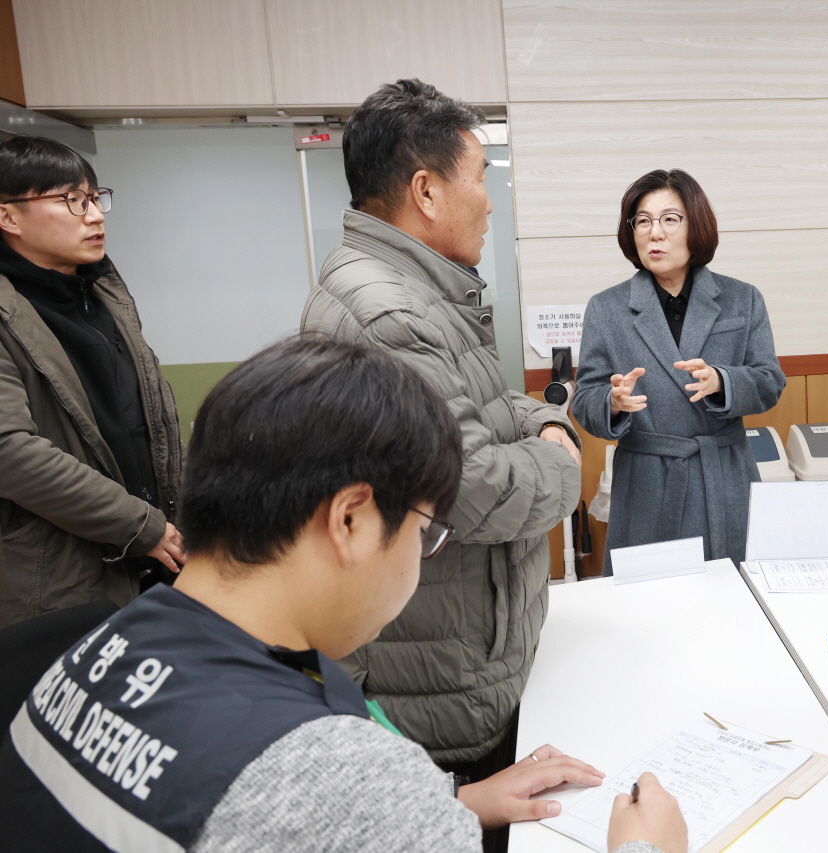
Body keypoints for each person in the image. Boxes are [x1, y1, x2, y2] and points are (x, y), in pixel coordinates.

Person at [0, 336, 687, 853]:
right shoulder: (332, 771)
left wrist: (447, 802)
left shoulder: (92, 647)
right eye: (425, 531)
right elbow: (319, 801)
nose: (420, 555)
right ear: (352, 520)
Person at [298, 79, 583, 814]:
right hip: (437, 670)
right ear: (426, 191)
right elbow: (474, 485)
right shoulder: (389, 313)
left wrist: (542, 421)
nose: (489, 202)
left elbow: (487, 407)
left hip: (458, 644)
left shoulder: (419, 291)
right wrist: (563, 458)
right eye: (481, 179)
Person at [0, 135, 185, 629]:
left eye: (95, 197)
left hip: (156, 559)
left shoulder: (103, 294)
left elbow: (152, 422)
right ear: (8, 217)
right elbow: (10, 452)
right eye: (72, 201)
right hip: (61, 581)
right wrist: (138, 524)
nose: (96, 215)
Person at [571, 170, 785, 573]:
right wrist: (612, 401)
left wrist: (722, 381)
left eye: (670, 219)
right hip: (647, 482)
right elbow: (584, 400)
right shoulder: (607, 308)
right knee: (650, 601)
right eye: (643, 221)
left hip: (723, 475)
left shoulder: (742, 299)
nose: (655, 233)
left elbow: (769, 381)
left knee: (731, 596)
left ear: (696, 225)